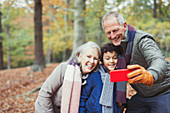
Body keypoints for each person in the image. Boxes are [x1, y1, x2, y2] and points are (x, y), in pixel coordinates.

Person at [102, 11, 170, 113]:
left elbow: (158, 60)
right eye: (108, 32)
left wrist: (150, 75)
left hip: (163, 91)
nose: (112, 36)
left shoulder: (142, 40)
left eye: (115, 30)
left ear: (124, 25)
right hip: (143, 95)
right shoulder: (117, 47)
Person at [35, 41, 101, 113]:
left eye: (95, 58)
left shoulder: (92, 77)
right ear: (80, 56)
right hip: (46, 109)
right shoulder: (64, 68)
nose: (92, 61)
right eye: (88, 56)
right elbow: (44, 93)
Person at [79, 43, 126, 113]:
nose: (111, 61)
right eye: (107, 58)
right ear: (102, 60)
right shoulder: (94, 75)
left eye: (114, 58)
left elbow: (118, 98)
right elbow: (83, 97)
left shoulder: (119, 76)